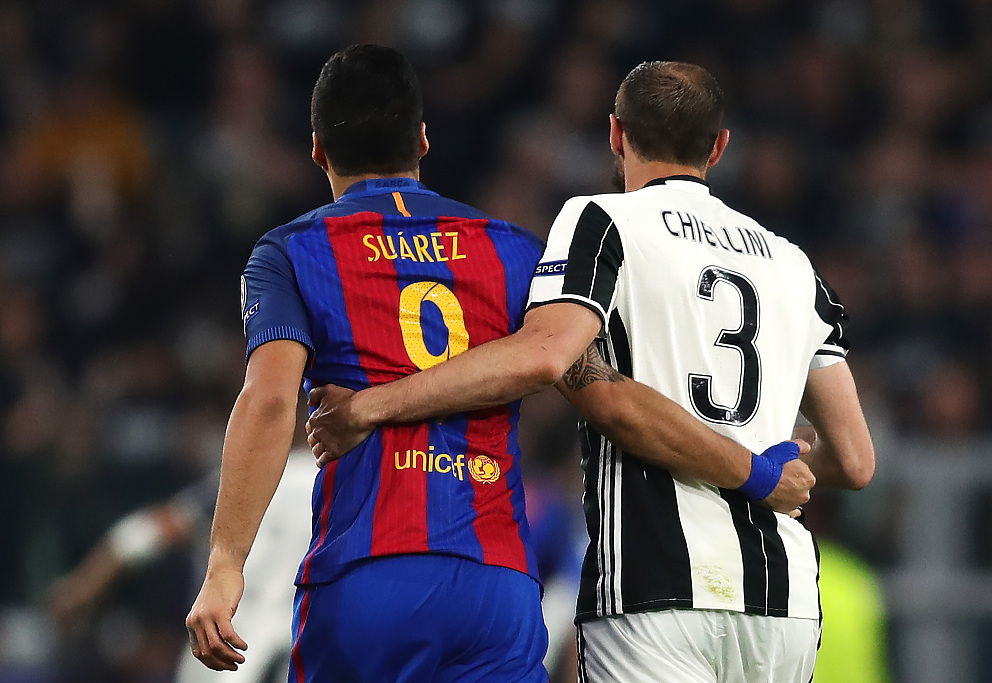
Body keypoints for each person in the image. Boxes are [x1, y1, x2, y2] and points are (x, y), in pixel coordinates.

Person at [307, 60, 875, 682]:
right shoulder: (794, 264)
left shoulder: (604, 221)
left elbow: (546, 356)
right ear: (718, 147)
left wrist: (369, 406)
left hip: (656, 590)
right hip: (783, 604)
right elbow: (854, 460)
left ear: (615, 134)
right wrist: (765, 458)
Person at [184, 44, 551, 682]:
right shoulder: (515, 249)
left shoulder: (292, 252)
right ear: (423, 140)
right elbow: (589, 380)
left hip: (369, 576)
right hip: (499, 582)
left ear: (318, 150)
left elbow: (269, 401)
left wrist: (224, 567)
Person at [50, 450, 316, 683]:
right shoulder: (333, 485)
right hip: (301, 643)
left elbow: (152, 531)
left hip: (226, 641)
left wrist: (84, 586)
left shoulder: (259, 473)